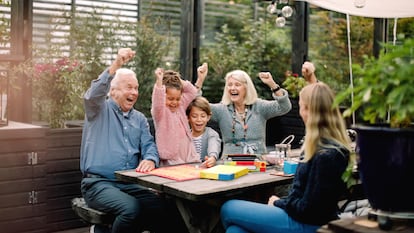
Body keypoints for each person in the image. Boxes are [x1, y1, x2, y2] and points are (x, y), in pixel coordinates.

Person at [220, 82, 352, 233]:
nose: (300, 112)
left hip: (307, 224)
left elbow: (308, 209)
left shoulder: (326, 155)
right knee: (235, 230)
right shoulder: (324, 147)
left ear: (309, 111)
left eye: (301, 107)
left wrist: (278, 203)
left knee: (228, 207)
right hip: (301, 217)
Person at [80, 48, 181, 233]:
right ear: (113, 91)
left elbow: (149, 145)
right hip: (98, 184)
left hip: (129, 184)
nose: (134, 92)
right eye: (129, 87)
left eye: (136, 88)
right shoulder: (98, 110)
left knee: (164, 207)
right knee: (130, 209)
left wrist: (150, 159)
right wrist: (117, 64)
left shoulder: (140, 119)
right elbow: (92, 95)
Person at [196, 63, 292, 155]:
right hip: (230, 163)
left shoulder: (259, 106)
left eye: (237, 85)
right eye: (229, 85)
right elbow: (196, 104)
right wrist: (200, 80)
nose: (232, 88)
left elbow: (284, 107)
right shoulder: (221, 110)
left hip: (258, 161)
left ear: (246, 88)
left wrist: (273, 85)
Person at [151, 67, 201, 165]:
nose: (174, 102)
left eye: (177, 99)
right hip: (171, 158)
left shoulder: (181, 106)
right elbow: (157, 100)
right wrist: (160, 81)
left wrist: (177, 79)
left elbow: (192, 92)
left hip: (188, 154)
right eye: (170, 99)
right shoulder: (160, 112)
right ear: (163, 96)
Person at [186, 96, 222, 167]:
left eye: (203, 116)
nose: (199, 119)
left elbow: (214, 145)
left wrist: (212, 157)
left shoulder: (211, 134)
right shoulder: (185, 135)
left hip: (205, 170)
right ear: (188, 118)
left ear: (208, 117)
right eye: (194, 116)